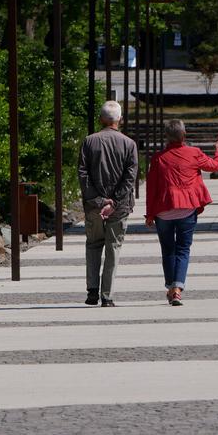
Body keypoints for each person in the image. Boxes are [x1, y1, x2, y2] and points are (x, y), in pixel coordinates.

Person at [145, 119, 218, 306]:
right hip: (187, 209)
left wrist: (149, 214)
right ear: (184, 135)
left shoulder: (158, 158)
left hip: (163, 211)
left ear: (166, 137)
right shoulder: (194, 153)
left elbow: (151, 188)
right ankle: (177, 289)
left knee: (168, 250)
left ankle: (171, 288)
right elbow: (215, 166)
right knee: (182, 249)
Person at [78, 101, 138, 307]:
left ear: (101, 119)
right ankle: (107, 295)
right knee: (113, 247)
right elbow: (130, 178)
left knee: (93, 245)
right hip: (120, 207)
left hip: (94, 206)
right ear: (120, 119)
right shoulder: (129, 144)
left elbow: (83, 174)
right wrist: (114, 202)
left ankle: (92, 291)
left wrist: (99, 200)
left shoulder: (89, 141)